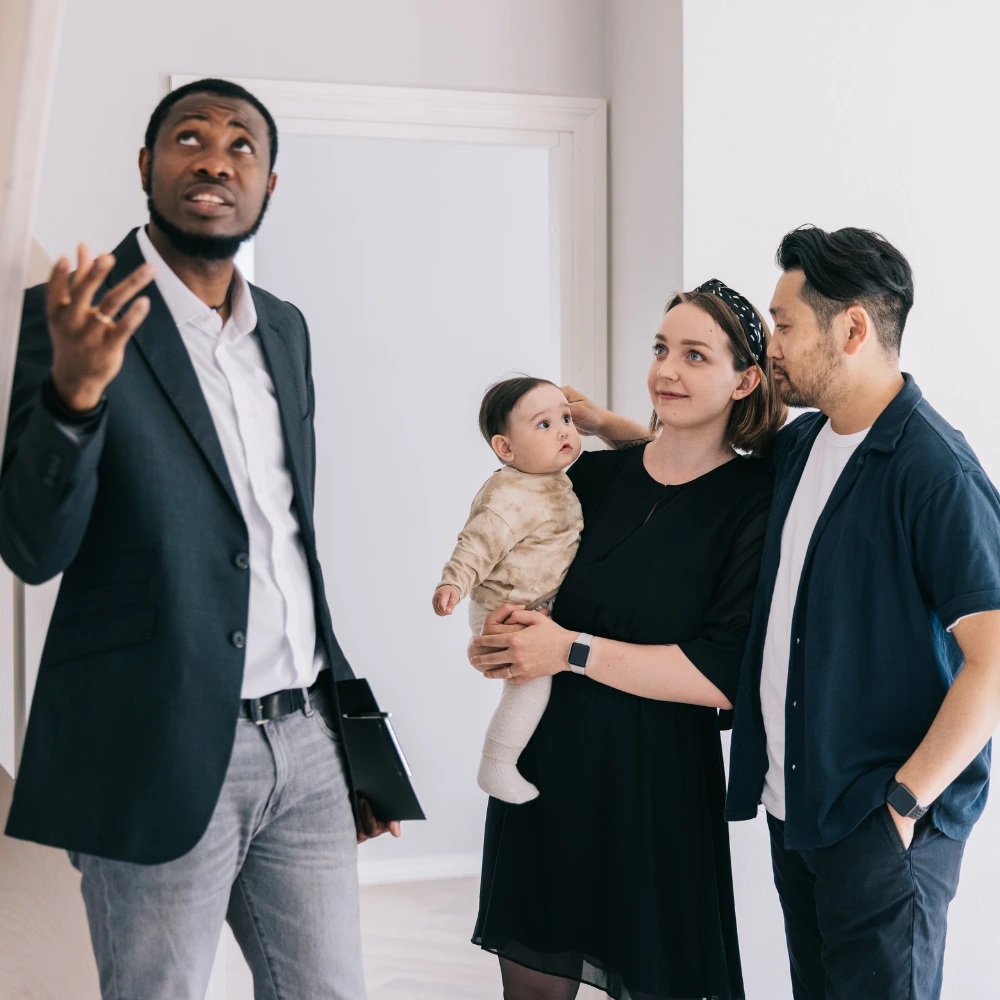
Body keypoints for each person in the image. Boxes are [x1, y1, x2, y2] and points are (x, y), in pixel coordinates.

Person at [0, 78, 398, 1000]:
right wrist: (75, 396)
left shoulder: (286, 331)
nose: (215, 158)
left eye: (241, 145)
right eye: (188, 137)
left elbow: (284, 543)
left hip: (304, 740)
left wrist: (350, 740)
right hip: (155, 739)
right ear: (145, 166)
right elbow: (31, 546)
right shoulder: (67, 319)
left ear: (268, 185)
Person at [583, 228, 1000, 1000]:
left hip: (880, 824)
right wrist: (609, 427)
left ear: (851, 330)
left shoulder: (934, 470)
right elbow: (701, 460)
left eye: (784, 325)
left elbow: (997, 659)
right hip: (799, 810)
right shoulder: (804, 445)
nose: (772, 346)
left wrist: (904, 804)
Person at [468, 279, 786, 1000]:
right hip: (547, 773)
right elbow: (520, 575)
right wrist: (499, 637)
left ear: (745, 380)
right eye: (661, 349)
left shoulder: (754, 500)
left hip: (657, 789)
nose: (667, 370)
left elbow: (721, 672)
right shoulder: (587, 475)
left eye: (695, 356)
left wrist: (568, 650)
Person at [433, 377, 584, 804]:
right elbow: (476, 544)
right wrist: (453, 583)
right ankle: (496, 763)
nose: (563, 431)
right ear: (506, 449)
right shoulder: (508, 495)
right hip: (505, 605)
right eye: (543, 424)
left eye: (567, 418)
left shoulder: (551, 477)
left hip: (537, 600)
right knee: (531, 683)